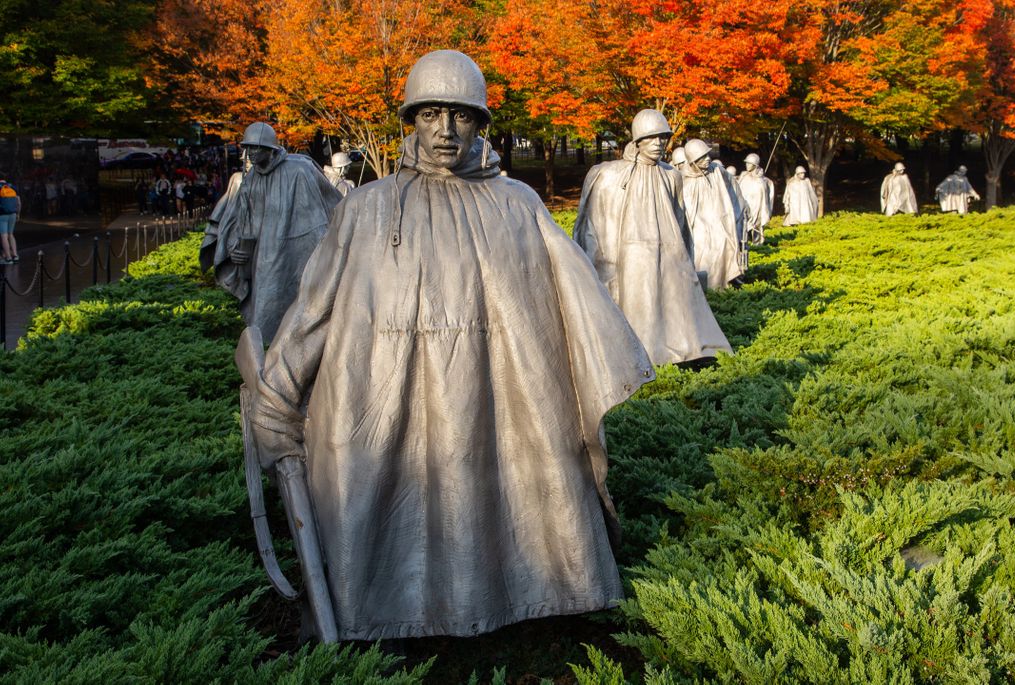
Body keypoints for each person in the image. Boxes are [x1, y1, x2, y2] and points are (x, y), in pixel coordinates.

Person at [247, 50, 653, 641]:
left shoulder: (519, 204)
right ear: (411, 119)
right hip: (388, 396)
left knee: (501, 481)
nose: (445, 130)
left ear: (480, 123)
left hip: (499, 397)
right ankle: (383, 614)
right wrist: (276, 397)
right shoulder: (367, 208)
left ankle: (534, 592)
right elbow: (314, 310)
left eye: (461, 116)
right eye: (431, 113)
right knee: (391, 496)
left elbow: (574, 304)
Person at [573, 108, 732, 366]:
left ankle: (683, 351)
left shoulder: (671, 175)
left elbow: (681, 223)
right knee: (640, 305)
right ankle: (639, 355)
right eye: (652, 138)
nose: (659, 144)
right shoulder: (611, 175)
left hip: (670, 253)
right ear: (638, 140)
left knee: (676, 304)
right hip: (632, 254)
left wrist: (685, 260)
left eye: (663, 138)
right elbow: (595, 223)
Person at [202, 122, 341, 340]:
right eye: (249, 148)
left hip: (303, 253)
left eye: (257, 148)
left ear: (271, 149)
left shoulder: (300, 170)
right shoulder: (250, 181)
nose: (252, 154)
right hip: (264, 260)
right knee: (265, 316)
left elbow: (333, 205)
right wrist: (236, 249)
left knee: (308, 313)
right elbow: (241, 223)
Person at [681, 139, 744, 289]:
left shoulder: (716, 171)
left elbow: (733, 187)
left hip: (719, 224)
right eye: (702, 157)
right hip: (696, 228)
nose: (708, 159)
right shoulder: (683, 179)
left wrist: (738, 210)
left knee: (722, 246)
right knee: (701, 253)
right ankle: (704, 289)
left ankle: (722, 286)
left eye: (707, 155)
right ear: (693, 161)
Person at [737, 152, 774, 243]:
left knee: (756, 228)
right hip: (744, 207)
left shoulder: (762, 181)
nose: (747, 165)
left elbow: (765, 198)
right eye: (746, 163)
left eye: (749, 163)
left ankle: (757, 245)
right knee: (743, 229)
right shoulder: (743, 176)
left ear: (755, 165)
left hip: (757, 209)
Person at [0, 173, 21, 264]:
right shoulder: (12, 187)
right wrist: (18, 213)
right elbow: (19, 202)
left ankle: (8, 258)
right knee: (10, 234)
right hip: (13, 213)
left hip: (2, 214)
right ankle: (15, 255)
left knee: (3, 236)